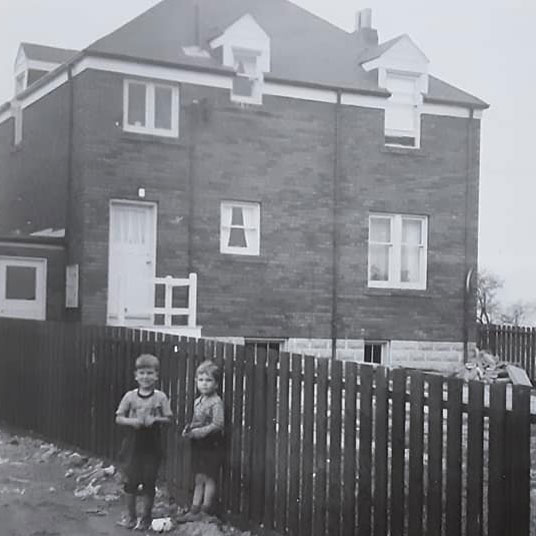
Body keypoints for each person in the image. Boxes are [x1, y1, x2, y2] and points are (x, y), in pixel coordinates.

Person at [115, 353, 172, 531]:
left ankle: (146, 518)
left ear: (156, 376)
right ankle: (131, 517)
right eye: (142, 373)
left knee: (149, 482)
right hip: (133, 444)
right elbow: (119, 418)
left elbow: (169, 418)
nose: (145, 377)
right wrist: (133, 422)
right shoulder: (130, 397)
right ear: (136, 375)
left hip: (151, 445)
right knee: (130, 483)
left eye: (150, 373)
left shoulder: (160, 397)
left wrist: (155, 420)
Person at [179, 360, 225, 522]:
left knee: (209, 477)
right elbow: (197, 420)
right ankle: (194, 509)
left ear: (216, 384)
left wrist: (199, 432)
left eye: (209, 380)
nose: (204, 384)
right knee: (198, 477)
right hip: (199, 444)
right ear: (196, 381)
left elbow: (218, 424)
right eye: (201, 380)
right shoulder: (198, 401)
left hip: (212, 443)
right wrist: (190, 428)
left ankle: (205, 509)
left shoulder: (216, 402)